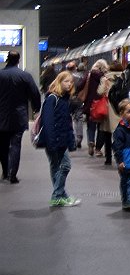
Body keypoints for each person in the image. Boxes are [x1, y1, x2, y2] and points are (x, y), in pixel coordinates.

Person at [36, 71, 81, 207]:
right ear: (59, 82)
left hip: (60, 138)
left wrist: (70, 141)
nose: (69, 84)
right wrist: (51, 141)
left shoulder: (64, 99)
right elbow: (47, 121)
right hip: (54, 139)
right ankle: (57, 195)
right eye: (66, 81)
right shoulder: (52, 98)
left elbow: (66, 123)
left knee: (56, 167)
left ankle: (61, 195)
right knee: (65, 165)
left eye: (71, 82)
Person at [0, 51, 42, 184]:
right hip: (19, 115)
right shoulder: (25, 76)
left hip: (1, 116)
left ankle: (5, 172)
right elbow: (35, 93)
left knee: (3, 145)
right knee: (15, 145)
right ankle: (13, 174)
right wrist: (36, 108)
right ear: (18, 60)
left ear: (7, 60)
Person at [99, 61, 126, 165]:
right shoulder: (124, 77)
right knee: (122, 134)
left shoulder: (105, 78)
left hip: (109, 109)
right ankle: (121, 156)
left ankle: (108, 158)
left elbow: (100, 92)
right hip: (122, 107)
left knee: (107, 135)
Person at [83, 59, 110, 157]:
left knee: (90, 125)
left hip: (90, 104)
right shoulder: (104, 77)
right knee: (101, 127)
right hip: (101, 103)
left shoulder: (89, 75)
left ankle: (91, 141)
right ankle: (98, 149)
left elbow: (81, 85)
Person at [66, 60, 86, 149]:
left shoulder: (65, 77)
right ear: (75, 68)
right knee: (79, 118)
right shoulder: (80, 77)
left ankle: (71, 138)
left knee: (67, 118)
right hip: (78, 99)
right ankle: (79, 138)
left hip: (68, 100)